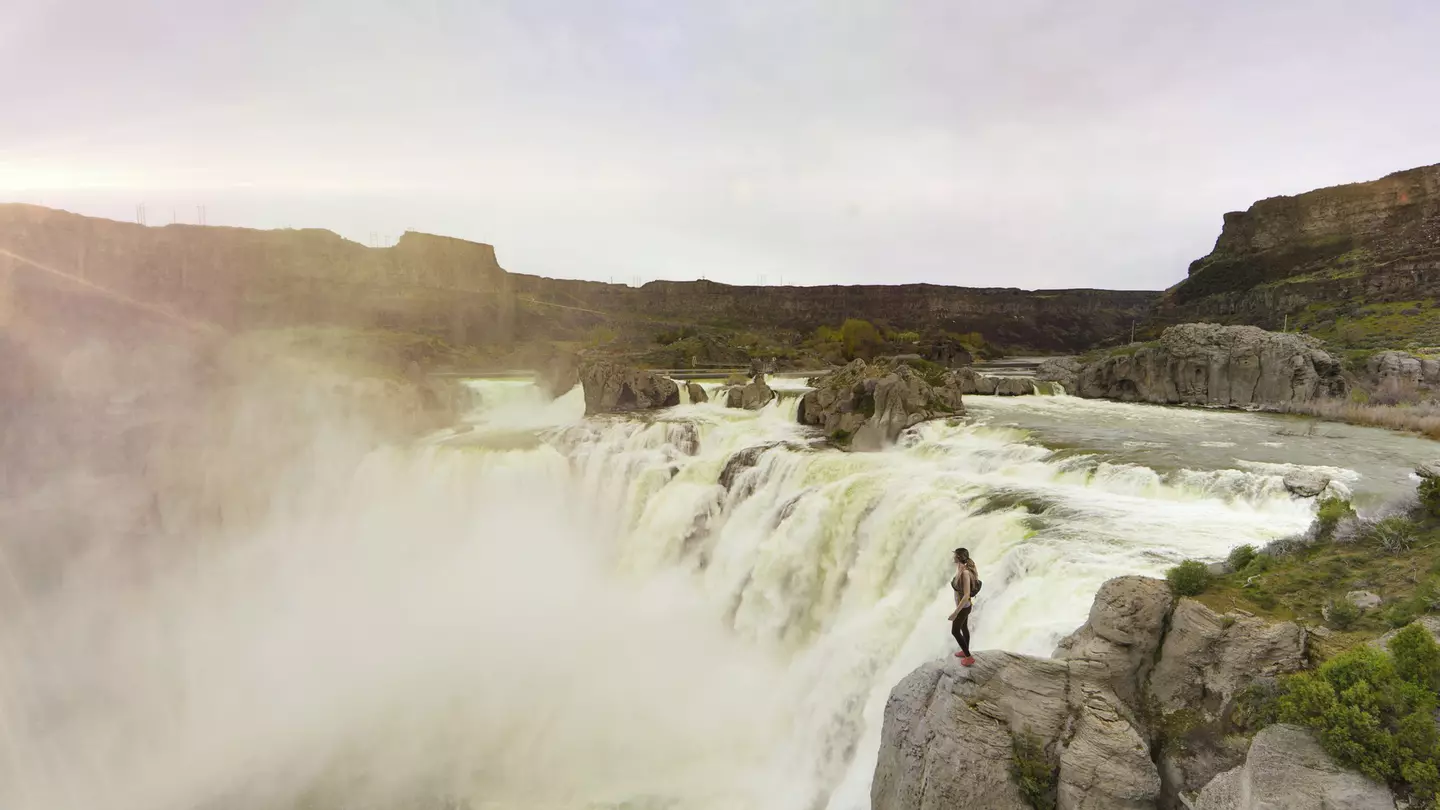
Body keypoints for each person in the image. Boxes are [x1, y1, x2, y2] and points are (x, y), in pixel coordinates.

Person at [948, 548, 977, 666]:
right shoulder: (961, 568)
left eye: (955, 555)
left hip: (963, 608)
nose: (953, 557)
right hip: (964, 606)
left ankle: (969, 657)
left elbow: (966, 595)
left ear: (958, 557)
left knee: (955, 631)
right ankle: (965, 652)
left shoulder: (965, 573)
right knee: (964, 628)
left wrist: (955, 613)